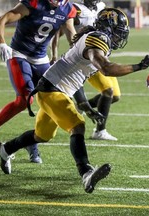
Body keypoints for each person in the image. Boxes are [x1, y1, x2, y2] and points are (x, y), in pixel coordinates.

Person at [0, 8, 149, 193]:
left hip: (56, 89)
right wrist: (138, 66)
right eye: (118, 31)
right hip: (51, 90)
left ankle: (6, 148)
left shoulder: (96, 39)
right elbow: (107, 69)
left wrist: (85, 104)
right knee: (77, 125)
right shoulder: (96, 40)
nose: (119, 36)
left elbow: (77, 75)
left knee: (42, 135)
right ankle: (86, 173)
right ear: (108, 28)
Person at [0, 0, 77, 163]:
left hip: (40, 58)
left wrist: (74, 52)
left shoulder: (68, 9)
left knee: (53, 98)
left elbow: (69, 33)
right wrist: (1, 44)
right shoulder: (34, 3)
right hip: (19, 53)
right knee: (25, 99)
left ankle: (31, 142)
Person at [51, 0, 120, 141]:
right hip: (86, 57)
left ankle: (79, 106)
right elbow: (58, 32)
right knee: (108, 91)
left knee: (115, 96)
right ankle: (100, 131)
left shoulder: (101, 6)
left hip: (101, 54)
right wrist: (54, 54)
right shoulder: (76, 9)